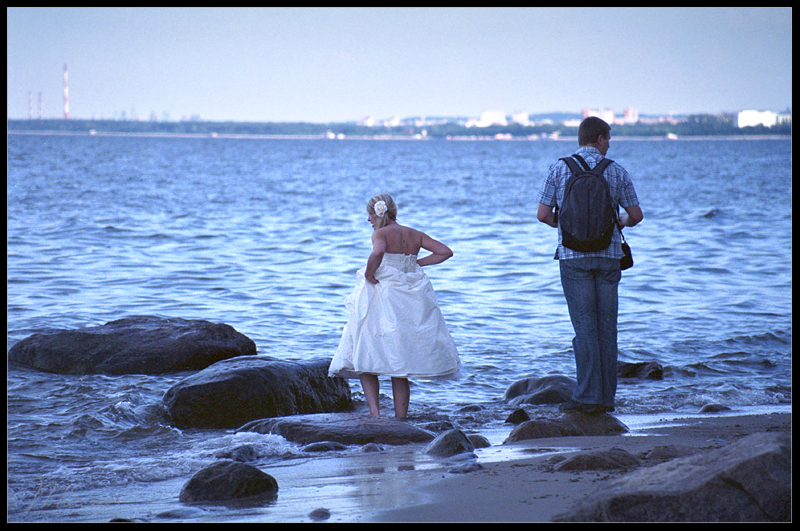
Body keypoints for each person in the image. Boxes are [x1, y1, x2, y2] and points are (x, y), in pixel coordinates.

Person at [536, 117, 643, 414]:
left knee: (584, 329)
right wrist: (619, 222)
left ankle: (586, 398)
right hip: (608, 257)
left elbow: (542, 214)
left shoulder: (559, 168)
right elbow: (636, 215)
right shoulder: (616, 171)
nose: (609, 144)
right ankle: (606, 399)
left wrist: (567, 228)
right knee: (607, 328)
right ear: (598, 139)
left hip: (573, 258)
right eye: (607, 139)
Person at [329, 193, 461, 418]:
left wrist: (370, 273)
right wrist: (416, 262)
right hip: (409, 296)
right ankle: (401, 417)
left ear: (376, 214)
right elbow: (445, 252)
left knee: (366, 349)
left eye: (369, 216)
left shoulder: (380, 233)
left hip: (384, 292)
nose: (368, 221)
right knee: (399, 358)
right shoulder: (415, 234)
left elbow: (379, 251)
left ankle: (375, 413)